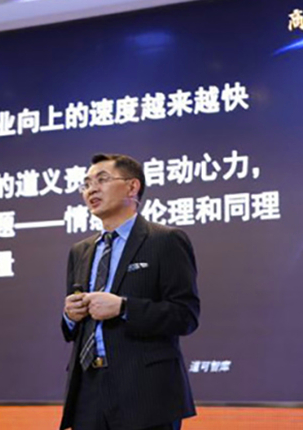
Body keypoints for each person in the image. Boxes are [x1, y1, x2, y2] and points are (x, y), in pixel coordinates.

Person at [60, 153, 200, 430]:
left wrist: (124, 308)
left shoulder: (165, 240)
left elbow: (185, 316)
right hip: (88, 391)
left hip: (146, 393)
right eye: (86, 184)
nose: (91, 190)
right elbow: (72, 330)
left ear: (132, 187)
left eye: (102, 180)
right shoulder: (80, 251)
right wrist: (70, 316)